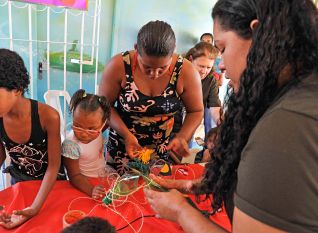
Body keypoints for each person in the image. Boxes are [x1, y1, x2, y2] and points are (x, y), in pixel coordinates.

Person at [145, 0, 318, 232]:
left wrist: (181, 211)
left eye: (223, 48)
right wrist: (195, 184)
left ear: (259, 36)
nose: (222, 66)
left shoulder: (288, 123)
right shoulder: (302, 95)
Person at [0, 48, 66, 229]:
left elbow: (54, 166)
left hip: (51, 186)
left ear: (17, 90)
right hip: (19, 184)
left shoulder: (48, 117)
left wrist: (36, 207)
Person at [99, 20, 203, 175]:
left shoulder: (186, 71)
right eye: (147, 67)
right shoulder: (118, 66)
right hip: (122, 147)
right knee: (118, 193)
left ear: (173, 51)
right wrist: (127, 135)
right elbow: (103, 107)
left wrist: (182, 136)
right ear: (136, 49)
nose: (154, 74)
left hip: (160, 151)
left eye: (162, 68)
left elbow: (196, 111)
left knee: (152, 193)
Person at [61, 89, 110, 199]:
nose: (83, 134)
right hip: (84, 184)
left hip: (101, 176)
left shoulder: (100, 129)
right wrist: (91, 190)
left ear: (103, 124)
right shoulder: (70, 145)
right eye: (77, 126)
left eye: (91, 129)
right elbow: (74, 176)